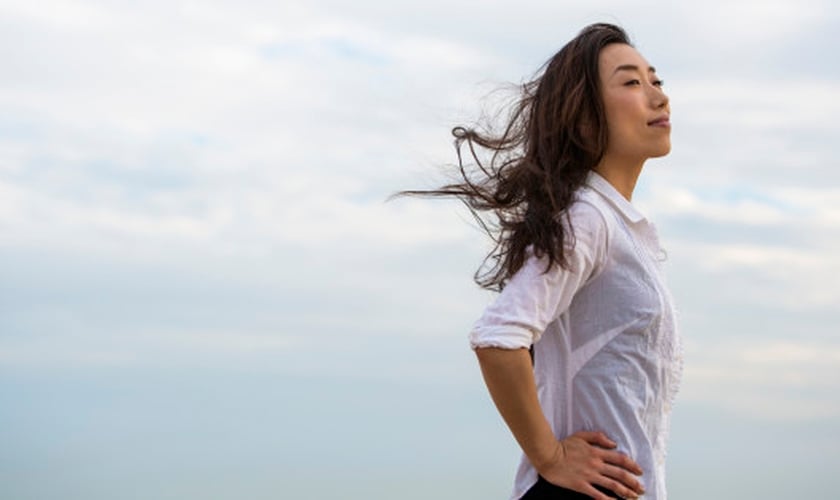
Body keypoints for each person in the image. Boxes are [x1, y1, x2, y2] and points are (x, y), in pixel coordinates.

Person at [401, 23, 682, 499]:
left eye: (656, 80)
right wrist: (550, 457)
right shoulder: (589, 218)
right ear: (585, 120)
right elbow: (497, 337)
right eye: (632, 82)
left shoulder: (619, 227)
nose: (658, 96)